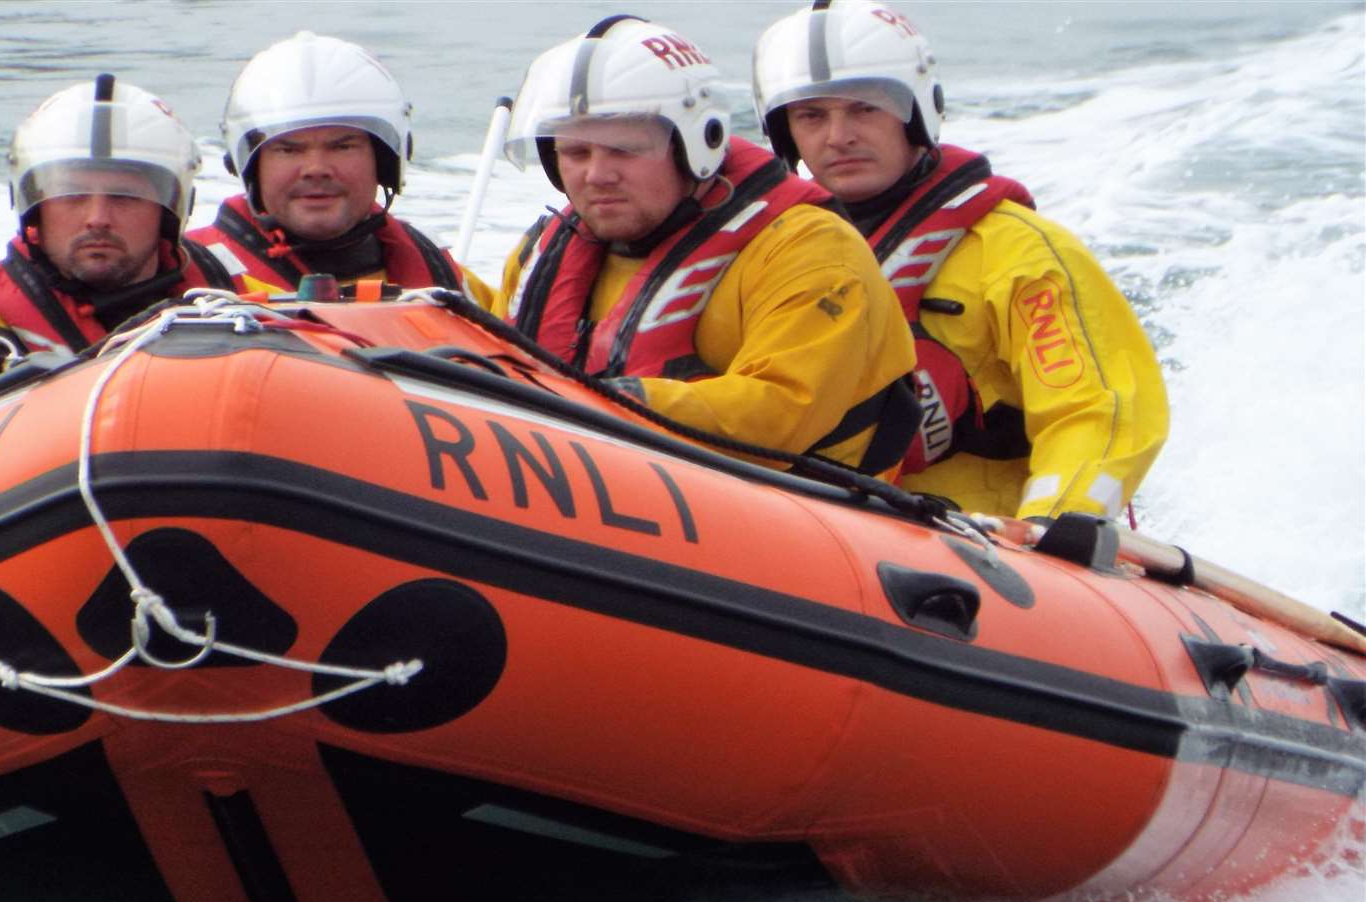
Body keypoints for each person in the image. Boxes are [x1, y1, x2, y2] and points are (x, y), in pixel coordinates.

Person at [753, 0, 1169, 521]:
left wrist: (1058, 520)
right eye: (811, 115)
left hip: (980, 551)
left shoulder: (1017, 253)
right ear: (784, 133)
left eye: (865, 108)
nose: (838, 136)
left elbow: (1098, 408)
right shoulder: (769, 254)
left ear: (915, 112)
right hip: (814, 526)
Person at [493, 16, 917, 476]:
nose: (596, 175)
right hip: (585, 487)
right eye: (576, 154)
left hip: (788, 519)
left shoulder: (810, 250)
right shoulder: (537, 255)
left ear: (696, 143)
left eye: (624, 149)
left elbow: (781, 412)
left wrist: (601, 400)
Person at [0, 75, 229, 453]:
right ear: (35, 208)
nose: (97, 217)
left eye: (125, 195)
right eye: (71, 193)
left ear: (170, 210)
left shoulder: (240, 312)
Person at [185, 31, 494, 304]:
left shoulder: (442, 275)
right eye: (288, 149)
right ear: (251, 167)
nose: (316, 168)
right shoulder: (187, 283)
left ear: (385, 161)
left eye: (342, 146)